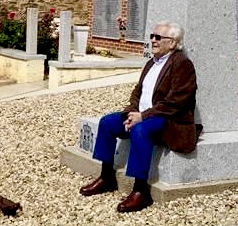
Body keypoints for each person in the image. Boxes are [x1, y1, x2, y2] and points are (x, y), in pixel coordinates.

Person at [80, 20, 199, 212]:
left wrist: (142, 117)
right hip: (143, 115)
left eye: (158, 37)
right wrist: (130, 112)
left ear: (173, 42)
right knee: (108, 122)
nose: (152, 40)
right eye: (152, 36)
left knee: (141, 130)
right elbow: (137, 92)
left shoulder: (182, 64)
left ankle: (140, 191)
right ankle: (106, 176)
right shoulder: (151, 63)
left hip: (168, 119)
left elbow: (177, 101)